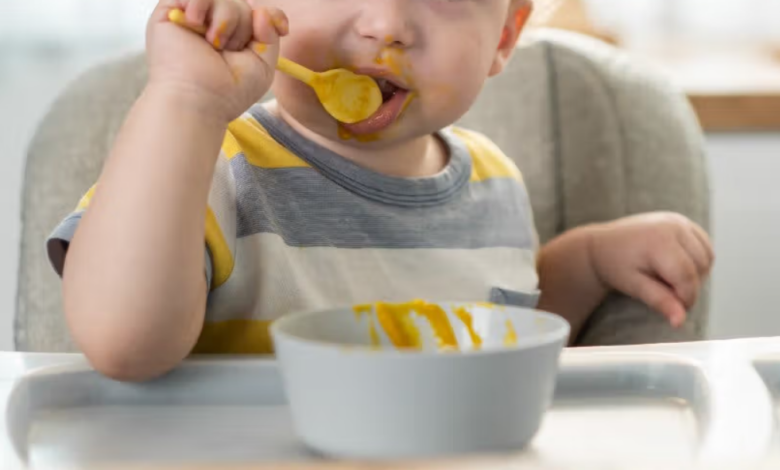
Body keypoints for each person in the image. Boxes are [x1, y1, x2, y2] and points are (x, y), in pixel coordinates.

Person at [47, 0, 713, 381]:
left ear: (504, 36)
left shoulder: (494, 182)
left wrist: (590, 262)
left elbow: (493, 326)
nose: (387, 23)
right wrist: (185, 102)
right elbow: (122, 342)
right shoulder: (200, 163)